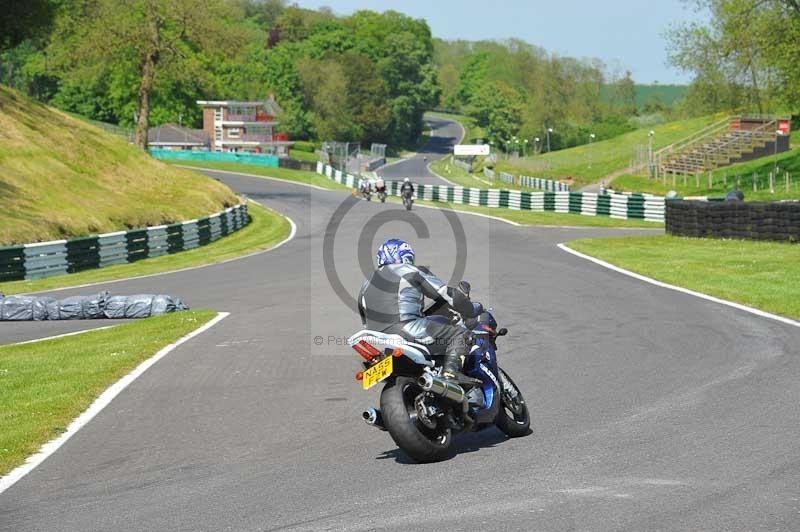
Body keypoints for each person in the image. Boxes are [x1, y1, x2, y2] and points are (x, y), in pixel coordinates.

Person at [357, 239, 481, 382]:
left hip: (378, 341)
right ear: (405, 256)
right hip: (407, 330)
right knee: (462, 334)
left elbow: (365, 323)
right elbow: (447, 295)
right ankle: (450, 372)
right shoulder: (410, 270)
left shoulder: (365, 285)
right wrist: (471, 309)